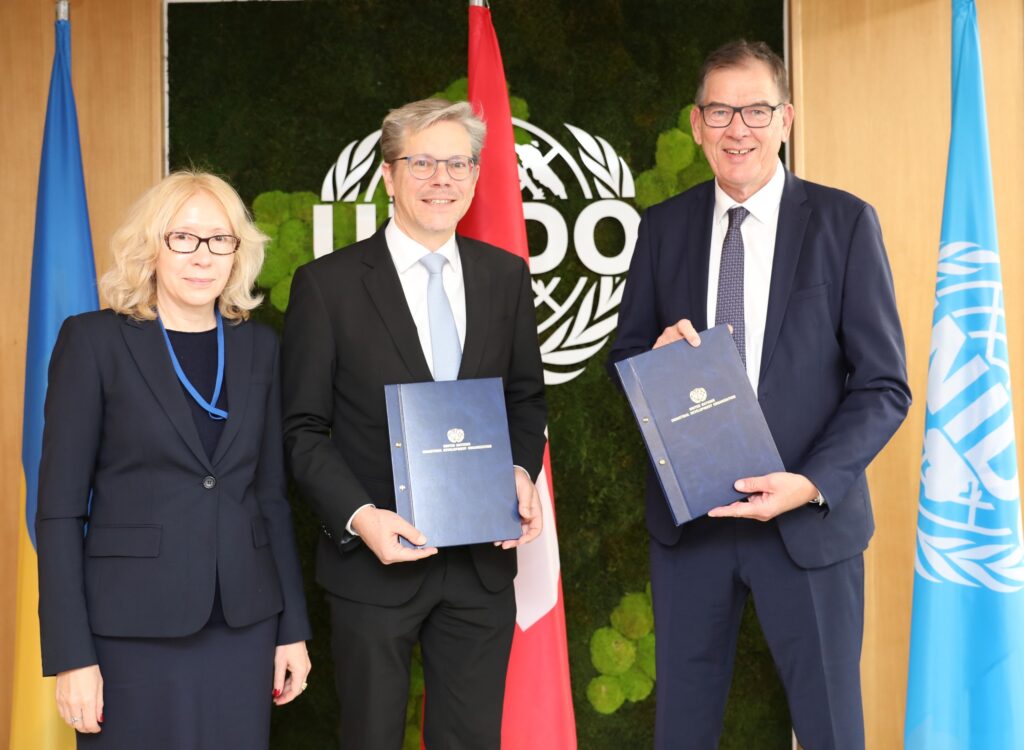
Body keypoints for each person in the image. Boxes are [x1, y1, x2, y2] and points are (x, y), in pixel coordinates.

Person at [608, 41, 911, 749]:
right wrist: (652, 364)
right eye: (719, 111)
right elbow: (625, 358)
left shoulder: (843, 223)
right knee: (681, 732)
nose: (737, 128)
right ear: (696, 124)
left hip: (806, 526)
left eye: (755, 110)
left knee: (831, 730)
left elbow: (883, 385)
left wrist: (810, 482)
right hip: (693, 529)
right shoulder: (663, 228)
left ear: (786, 119)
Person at [282, 98, 546, 749]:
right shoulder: (327, 286)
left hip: (481, 565)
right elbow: (303, 429)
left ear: (476, 175)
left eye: (458, 163)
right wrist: (360, 518)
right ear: (389, 174)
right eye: (422, 162)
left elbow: (525, 398)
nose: (441, 179)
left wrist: (519, 470)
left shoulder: (505, 276)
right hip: (374, 566)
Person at [37, 171, 312, 749]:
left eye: (219, 239)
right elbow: (60, 512)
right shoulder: (93, 342)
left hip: (243, 628)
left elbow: (270, 499)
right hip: (130, 632)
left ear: (238, 252)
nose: (202, 255)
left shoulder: (260, 346)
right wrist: (71, 655)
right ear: (151, 247)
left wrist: (292, 629)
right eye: (183, 237)